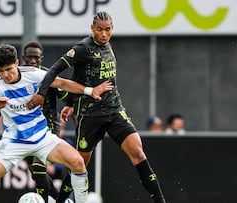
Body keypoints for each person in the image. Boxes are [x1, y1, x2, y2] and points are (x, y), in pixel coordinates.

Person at [27, 11, 166, 203]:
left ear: (112, 29)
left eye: (107, 30)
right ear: (92, 28)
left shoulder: (108, 45)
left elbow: (80, 73)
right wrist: (43, 94)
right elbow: (55, 69)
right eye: (99, 29)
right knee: (78, 165)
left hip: (114, 110)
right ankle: (61, 201)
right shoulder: (83, 48)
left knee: (138, 153)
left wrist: (68, 103)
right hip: (89, 116)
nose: (103, 34)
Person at [0, 44, 114, 203]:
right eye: (1, 71)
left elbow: (62, 83)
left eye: (8, 69)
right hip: (13, 142)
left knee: (77, 163)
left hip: (42, 137)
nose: (5, 75)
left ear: (16, 63)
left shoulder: (34, 74)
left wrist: (90, 91)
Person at [0, 41, 69, 202]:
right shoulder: (18, 77)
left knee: (38, 168)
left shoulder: (47, 77)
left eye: (36, 57)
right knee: (37, 174)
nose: (32, 60)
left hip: (48, 126)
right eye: (29, 57)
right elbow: (8, 102)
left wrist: (74, 109)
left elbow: (67, 97)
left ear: (41, 59)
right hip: (25, 131)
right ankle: (61, 200)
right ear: (23, 58)